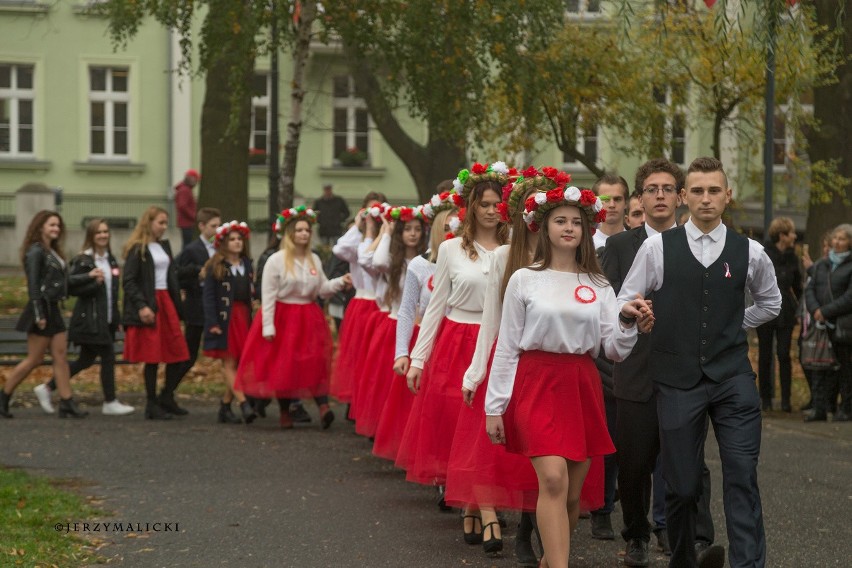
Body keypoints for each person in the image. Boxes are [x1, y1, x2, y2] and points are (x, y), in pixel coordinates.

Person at [617, 157, 782, 568]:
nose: (706, 199)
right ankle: (683, 559)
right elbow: (625, 299)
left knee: (742, 477)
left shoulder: (752, 251)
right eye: (697, 191)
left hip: (732, 378)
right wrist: (636, 315)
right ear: (684, 196)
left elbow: (772, 303)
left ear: (727, 196)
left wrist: (732, 323)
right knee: (684, 485)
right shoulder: (657, 248)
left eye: (714, 191)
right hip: (675, 378)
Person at [484, 182, 650, 568]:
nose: (569, 228)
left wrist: (626, 321)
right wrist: (495, 407)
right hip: (536, 381)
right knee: (554, 479)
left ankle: (548, 560)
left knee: (572, 495)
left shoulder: (598, 284)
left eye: (576, 222)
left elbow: (614, 349)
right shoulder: (524, 279)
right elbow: (507, 345)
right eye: (560, 221)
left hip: (581, 383)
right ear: (544, 227)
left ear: (585, 231)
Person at [601, 158, 717, 567]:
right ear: (640, 198)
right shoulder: (618, 247)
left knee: (689, 460)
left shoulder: (697, 242)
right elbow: (609, 303)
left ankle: (696, 538)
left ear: (680, 196)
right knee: (634, 462)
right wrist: (631, 313)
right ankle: (636, 535)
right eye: (652, 189)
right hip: (635, 368)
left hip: (687, 370)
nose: (661, 195)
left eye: (669, 188)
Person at [235, 206, 352, 429]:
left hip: (309, 315)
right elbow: (267, 295)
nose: (304, 234)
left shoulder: (313, 260)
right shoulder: (276, 260)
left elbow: (322, 289)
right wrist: (268, 325)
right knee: (286, 365)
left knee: (314, 359)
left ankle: (323, 406)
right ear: (290, 233)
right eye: (299, 230)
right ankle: (285, 411)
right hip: (284, 316)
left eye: (307, 230)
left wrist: (340, 282)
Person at [373, 194, 459, 463]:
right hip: (426, 342)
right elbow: (407, 310)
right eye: (445, 229)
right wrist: (402, 352)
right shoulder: (419, 266)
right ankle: (437, 467)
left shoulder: (467, 265)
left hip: (457, 341)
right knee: (431, 407)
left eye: (455, 228)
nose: (451, 234)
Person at [37, 219, 134, 416]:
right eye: (98, 232)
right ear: (91, 235)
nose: (103, 235)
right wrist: (90, 277)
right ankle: (110, 401)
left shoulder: (111, 259)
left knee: (85, 360)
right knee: (107, 356)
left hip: (105, 320)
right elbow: (69, 286)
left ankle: (47, 387)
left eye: (106, 232)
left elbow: (113, 293)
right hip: (89, 320)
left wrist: (117, 319)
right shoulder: (83, 260)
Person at [1, 211, 88, 419]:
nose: (56, 229)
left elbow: (64, 281)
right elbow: (33, 286)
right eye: (51, 225)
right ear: (40, 227)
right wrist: (39, 314)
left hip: (54, 309)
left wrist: (88, 276)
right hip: (41, 309)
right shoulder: (35, 252)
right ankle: (4, 396)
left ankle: (67, 402)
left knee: (60, 357)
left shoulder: (53, 251)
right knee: (34, 359)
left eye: (58, 225)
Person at [351, 206, 429, 439]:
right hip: (396, 325)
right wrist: (386, 231)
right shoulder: (390, 263)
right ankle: (386, 430)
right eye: (407, 230)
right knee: (388, 385)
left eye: (417, 229)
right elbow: (368, 259)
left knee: (413, 388)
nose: (413, 234)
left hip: (421, 328)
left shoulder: (427, 261)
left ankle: (411, 432)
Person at [122, 206, 190, 420]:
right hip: (151, 302)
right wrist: (142, 305)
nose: (164, 227)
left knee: (177, 353)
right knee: (152, 357)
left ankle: (166, 396)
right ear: (149, 222)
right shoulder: (138, 249)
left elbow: (171, 276)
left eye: (165, 223)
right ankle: (151, 404)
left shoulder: (163, 247)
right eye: (160, 222)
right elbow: (129, 281)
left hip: (166, 301)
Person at [329, 191, 387, 409]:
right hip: (361, 302)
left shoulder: (386, 239)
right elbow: (339, 249)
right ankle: (356, 401)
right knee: (357, 355)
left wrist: (378, 229)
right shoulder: (358, 240)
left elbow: (368, 260)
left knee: (375, 359)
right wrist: (359, 225)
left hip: (379, 304)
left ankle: (369, 403)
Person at [201, 221, 258, 425]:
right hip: (226, 319)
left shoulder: (247, 265)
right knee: (229, 362)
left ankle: (225, 405)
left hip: (244, 316)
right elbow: (208, 298)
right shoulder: (216, 266)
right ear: (223, 243)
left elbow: (253, 291)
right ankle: (244, 405)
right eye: (232, 239)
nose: (237, 243)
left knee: (241, 363)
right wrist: (212, 323)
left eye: (239, 239)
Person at [804, 223, 852, 422]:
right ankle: (819, 408)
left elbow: (850, 297)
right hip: (821, 325)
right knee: (818, 367)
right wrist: (816, 310)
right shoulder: (822, 264)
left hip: (843, 327)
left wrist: (825, 311)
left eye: (842, 239)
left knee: (845, 369)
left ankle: (846, 408)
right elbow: (810, 289)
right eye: (835, 238)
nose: (837, 242)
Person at [756, 217, 802, 412]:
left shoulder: (793, 257)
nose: (795, 236)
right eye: (791, 232)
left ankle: (785, 400)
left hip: (786, 312)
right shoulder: (763, 254)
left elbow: (798, 286)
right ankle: (765, 399)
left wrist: (798, 308)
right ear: (782, 235)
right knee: (765, 355)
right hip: (765, 310)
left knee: (784, 354)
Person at [175, 208, 222, 397]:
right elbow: (178, 274)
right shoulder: (192, 250)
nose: (218, 230)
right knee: (189, 354)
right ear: (202, 226)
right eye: (213, 226)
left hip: (215, 306)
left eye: (219, 225)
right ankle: (167, 392)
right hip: (196, 307)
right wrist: (197, 273)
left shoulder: (221, 248)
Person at [592, 173, 629, 250]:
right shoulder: (585, 243)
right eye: (605, 199)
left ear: (626, 203)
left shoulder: (637, 243)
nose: (612, 205)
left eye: (617, 199)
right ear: (596, 202)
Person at [174, 169, 200, 250]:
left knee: (187, 244)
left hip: (186, 222)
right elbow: (182, 206)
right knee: (188, 245)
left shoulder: (184, 189)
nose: (196, 182)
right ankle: (182, 261)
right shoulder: (185, 190)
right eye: (196, 180)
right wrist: (194, 216)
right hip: (187, 223)